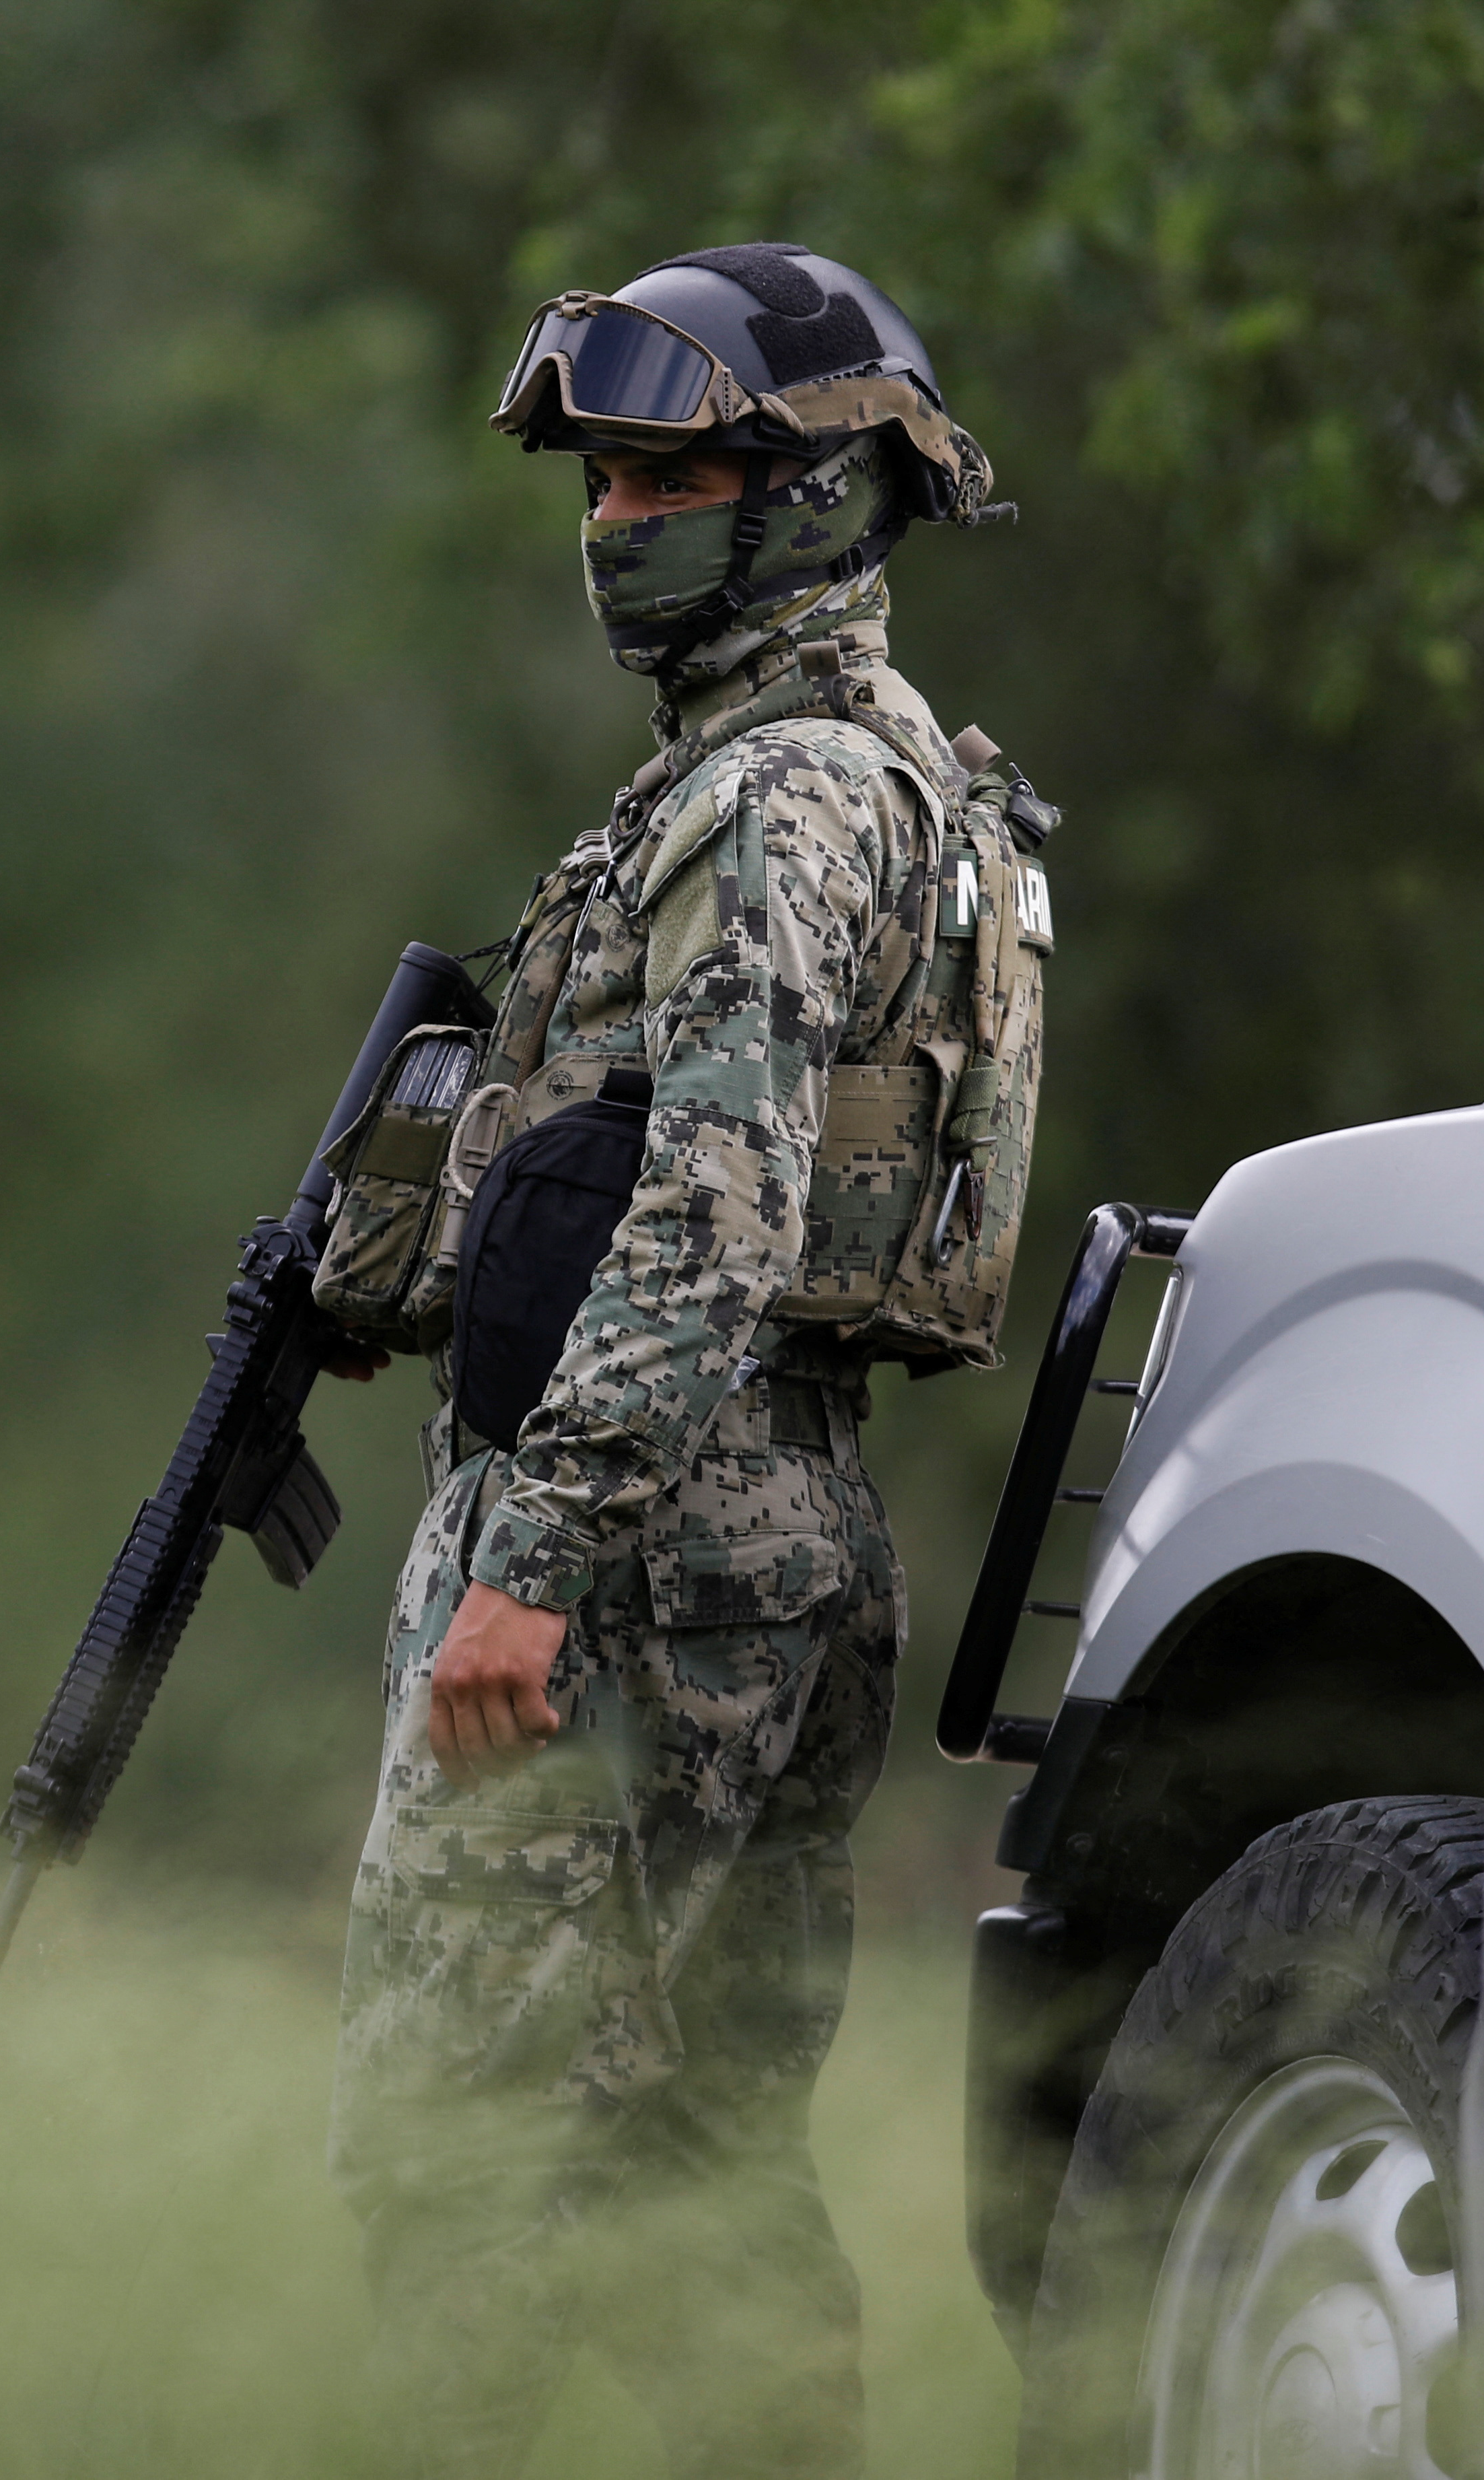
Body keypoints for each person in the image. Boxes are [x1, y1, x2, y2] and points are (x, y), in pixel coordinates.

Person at [326, 242, 1034, 2478]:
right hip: (776, 1526)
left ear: (813, 494)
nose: (615, 523)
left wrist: (527, 1555)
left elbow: (713, 1205)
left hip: (635, 1541)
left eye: (666, 474)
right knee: (699, 2165)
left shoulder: (769, 801)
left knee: (469, 2157)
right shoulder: (914, 782)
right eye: (604, 479)